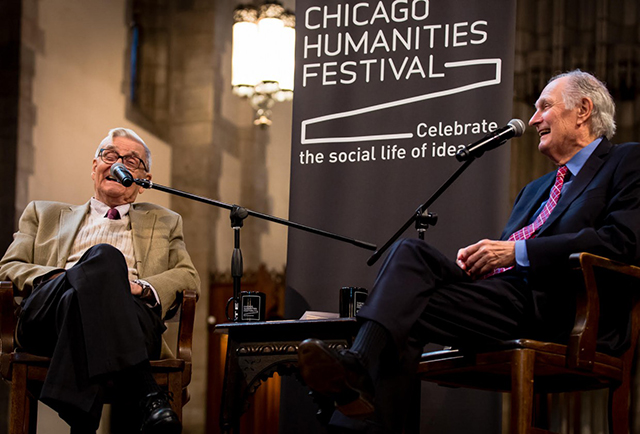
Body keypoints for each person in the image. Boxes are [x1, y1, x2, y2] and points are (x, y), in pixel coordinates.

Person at [297, 70, 640, 433]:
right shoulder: (534, 189)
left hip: (563, 307)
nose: (534, 118)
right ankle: (358, 372)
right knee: (410, 258)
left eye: (544, 107)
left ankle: (353, 386)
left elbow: (623, 241)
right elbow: (507, 258)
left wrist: (517, 252)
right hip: (506, 297)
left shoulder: (625, 162)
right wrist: (483, 262)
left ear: (583, 109)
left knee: (404, 310)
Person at [0, 128, 201, 434]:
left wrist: (138, 287)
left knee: (83, 292)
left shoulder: (166, 221)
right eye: (110, 155)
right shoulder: (43, 213)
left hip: (130, 318)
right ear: (94, 167)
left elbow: (188, 277)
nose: (118, 163)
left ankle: (80, 417)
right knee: (103, 258)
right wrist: (67, 277)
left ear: (144, 181)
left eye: (131, 161)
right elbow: (8, 268)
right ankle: (148, 392)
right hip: (47, 316)